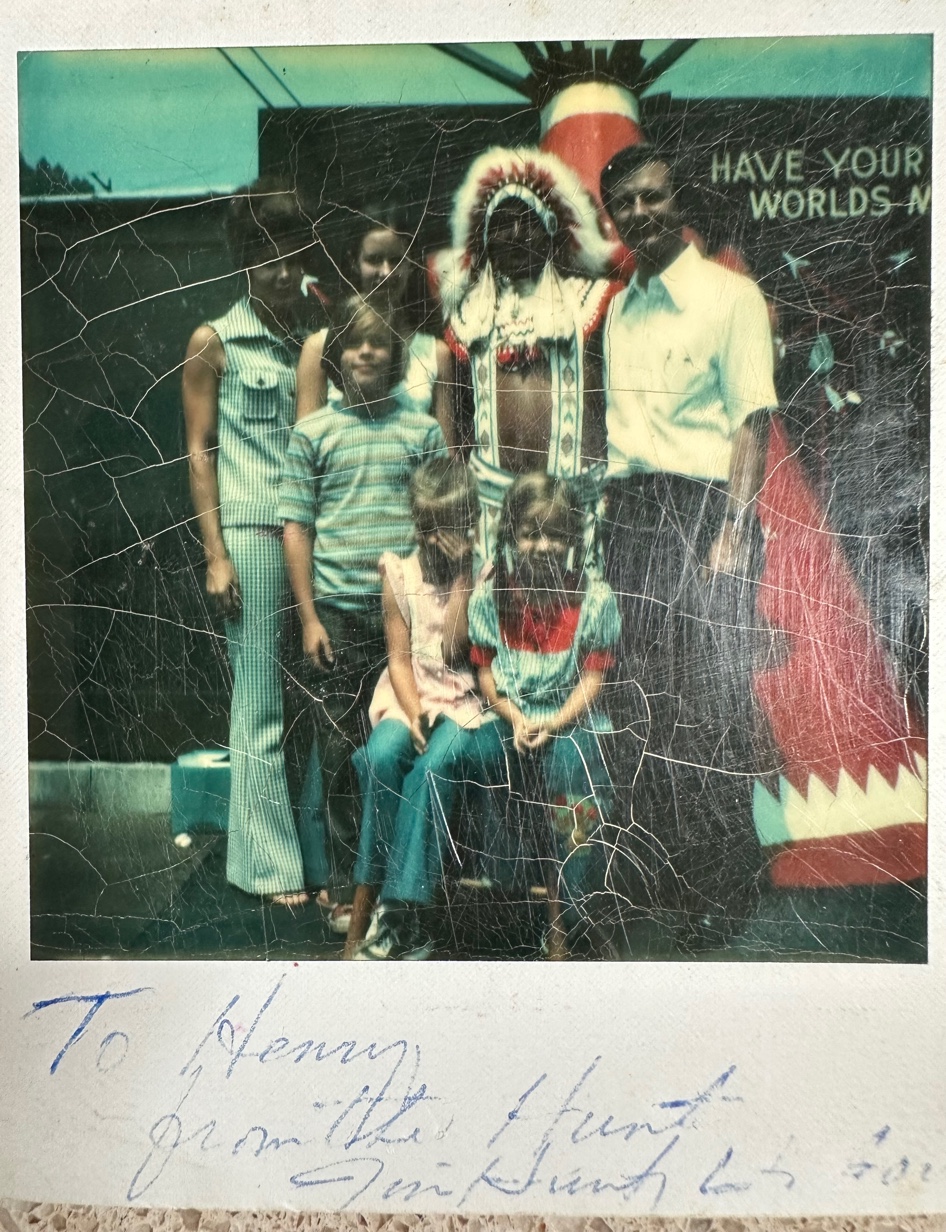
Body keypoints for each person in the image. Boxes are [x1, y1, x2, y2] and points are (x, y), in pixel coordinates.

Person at [599, 143, 779, 947]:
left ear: (680, 200)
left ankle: (722, 890)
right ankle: (664, 881)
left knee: (713, 708)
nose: (640, 213)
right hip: (632, 516)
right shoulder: (618, 308)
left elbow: (752, 421)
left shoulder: (731, 297)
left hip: (710, 516)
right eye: (625, 204)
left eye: (652, 197)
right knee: (644, 706)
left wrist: (734, 530)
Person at [279, 297, 448, 930]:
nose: (366, 353)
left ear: (398, 356)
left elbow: (439, 521)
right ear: (335, 359)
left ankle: (405, 886)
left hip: (403, 622)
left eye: (379, 343)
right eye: (353, 345)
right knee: (340, 748)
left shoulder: (422, 430)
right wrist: (309, 618)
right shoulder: (313, 432)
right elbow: (296, 527)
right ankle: (351, 889)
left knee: (404, 742)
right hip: (340, 615)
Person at [182, 176, 321, 906]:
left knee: (310, 706)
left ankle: (310, 858)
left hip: (308, 532)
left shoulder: (308, 338)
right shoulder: (216, 339)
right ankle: (266, 871)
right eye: (262, 254)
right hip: (253, 533)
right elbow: (198, 451)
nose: (277, 268)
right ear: (243, 258)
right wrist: (216, 554)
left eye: (288, 252)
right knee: (260, 701)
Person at [466, 473, 621, 960]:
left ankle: (569, 914)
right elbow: (487, 676)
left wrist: (553, 724)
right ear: (510, 536)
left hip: (568, 719)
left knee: (569, 775)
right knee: (479, 755)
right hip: (513, 716)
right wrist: (514, 718)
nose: (542, 546)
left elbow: (592, 682)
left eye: (555, 534)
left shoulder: (593, 599)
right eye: (530, 534)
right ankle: (504, 898)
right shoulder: (490, 597)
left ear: (573, 539)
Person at [438, 147, 619, 563]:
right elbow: (454, 429)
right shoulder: (467, 321)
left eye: (528, 222)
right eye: (502, 224)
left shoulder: (591, 303)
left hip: (576, 509)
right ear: (484, 238)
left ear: (553, 231)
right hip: (493, 511)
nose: (516, 235)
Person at [344, 458, 489, 961]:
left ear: (467, 525)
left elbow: (453, 650)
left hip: (465, 702)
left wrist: (466, 574)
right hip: (412, 695)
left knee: (431, 769)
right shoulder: (400, 573)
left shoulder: (482, 574)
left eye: (446, 528)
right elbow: (399, 660)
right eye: (425, 526)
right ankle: (372, 906)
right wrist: (413, 714)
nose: (434, 540)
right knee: (382, 754)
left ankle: (401, 916)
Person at [296, 204, 458, 450]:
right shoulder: (319, 347)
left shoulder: (435, 353)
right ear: (353, 262)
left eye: (396, 260)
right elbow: (305, 450)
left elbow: (445, 467)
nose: (386, 271)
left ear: (411, 263)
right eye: (373, 260)